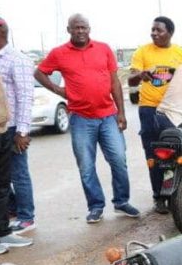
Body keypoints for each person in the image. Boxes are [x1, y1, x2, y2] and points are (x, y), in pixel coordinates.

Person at [35, 14, 139, 224]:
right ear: (69, 30)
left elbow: (115, 83)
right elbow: (39, 73)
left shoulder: (103, 49)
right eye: (76, 28)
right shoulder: (59, 53)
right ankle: (96, 206)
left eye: (84, 27)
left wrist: (121, 112)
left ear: (89, 29)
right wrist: (58, 89)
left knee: (119, 160)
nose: (80, 31)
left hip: (108, 116)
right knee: (86, 165)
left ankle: (121, 202)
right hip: (81, 119)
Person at [128, 16, 182, 214]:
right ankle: (158, 197)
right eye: (152, 30)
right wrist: (140, 75)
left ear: (170, 33)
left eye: (159, 30)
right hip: (148, 110)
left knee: (175, 153)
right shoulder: (142, 51)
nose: (154, 33)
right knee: (153, 155)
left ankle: (173, 193)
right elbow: (130, 81)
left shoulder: (181, 54)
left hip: (173, 110)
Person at [0, 16, 33, 253]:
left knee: (13, 176)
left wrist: (22, 131)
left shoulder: (16, 59)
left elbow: (25, 97)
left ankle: (25, 217)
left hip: (9, 130)